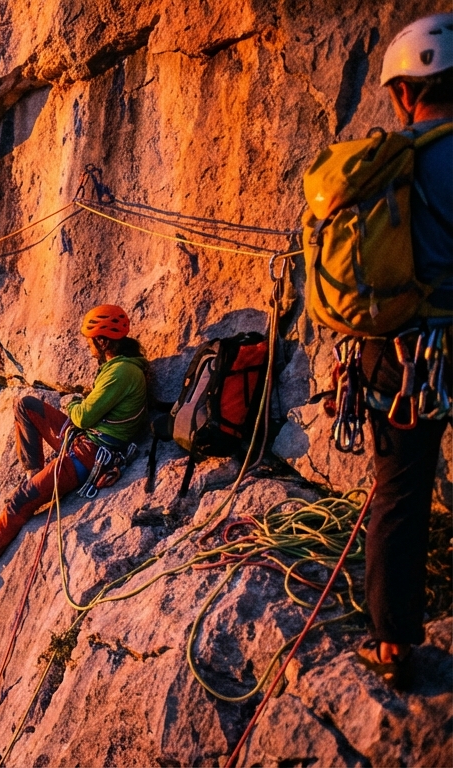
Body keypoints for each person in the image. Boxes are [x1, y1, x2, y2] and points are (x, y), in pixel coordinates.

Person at [351, 12, 453, 689]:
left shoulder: (388, 160)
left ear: (405, 92)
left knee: (399, 492)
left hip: (403, 352)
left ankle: (392, 644)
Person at [0, 305, 148, 581]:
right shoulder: (121, 368)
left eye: (90, 341)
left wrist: (73, 404)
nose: (89, 347)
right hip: (86, 441)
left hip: (90, 455)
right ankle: (34, 476)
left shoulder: (121, 372)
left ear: (103, 341)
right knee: (26, 405)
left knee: (19, 502)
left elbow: (82, 417)